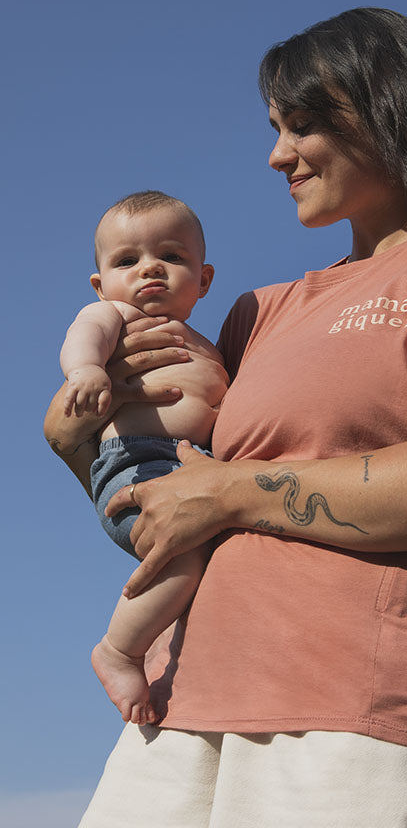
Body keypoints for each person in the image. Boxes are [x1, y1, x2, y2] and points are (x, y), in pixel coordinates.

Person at [45, 8, 407, 828]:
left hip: (355, 719)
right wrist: (82, 448)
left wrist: (234, 489)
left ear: (392, 112)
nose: (277, 155)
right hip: (171, 716)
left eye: (305, 125)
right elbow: (178, 505)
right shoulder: (255, 313)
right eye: (277, 128)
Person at [58, 190, 228, 726]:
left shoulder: (210, 346)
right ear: (101, 282)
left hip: (189, 462)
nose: (150, 268)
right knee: (181, 556)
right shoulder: (116, 315)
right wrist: (86, 371)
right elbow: (83, 335)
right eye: (127, 261)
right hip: (135, 462)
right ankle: (119, 650)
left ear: (203, 279)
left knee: (205, 555)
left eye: (172, 257)